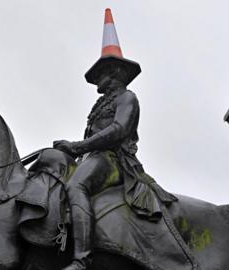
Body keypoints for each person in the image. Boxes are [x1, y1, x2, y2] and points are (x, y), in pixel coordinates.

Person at [54, 9, 177, 270]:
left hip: (114, 160)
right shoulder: (101, 104)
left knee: (76, 186)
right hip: (93, 156)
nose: (99, 78)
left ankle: (82, 259)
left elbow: (118, 130)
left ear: (117, 72)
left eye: (103, 72)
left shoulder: (127, 98)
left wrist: (78, 146)